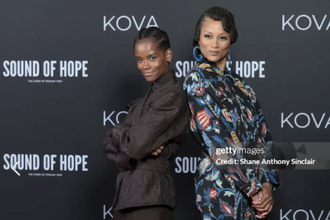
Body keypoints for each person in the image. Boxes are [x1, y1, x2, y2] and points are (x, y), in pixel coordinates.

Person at [183, 7, 280, 219]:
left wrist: (267, 185)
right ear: (198, 39)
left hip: (253, 194)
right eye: (208, 36)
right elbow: (218, 141)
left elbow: (263, 137)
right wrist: (254, 189)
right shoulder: (197, 80)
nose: (214, 44)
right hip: (220, 189)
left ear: (231, 40)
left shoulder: (241, 85)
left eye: (222, 37)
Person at [103, 27, 189, 220]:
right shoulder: (147, 99)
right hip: (128, 198)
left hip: (151, 199)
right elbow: (108, 145)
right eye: (139, 60)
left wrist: (120, 133)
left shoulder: (171, 95)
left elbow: (135, 145)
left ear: (168, 54)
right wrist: (128, 151)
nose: (144, 66)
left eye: (151, 58)